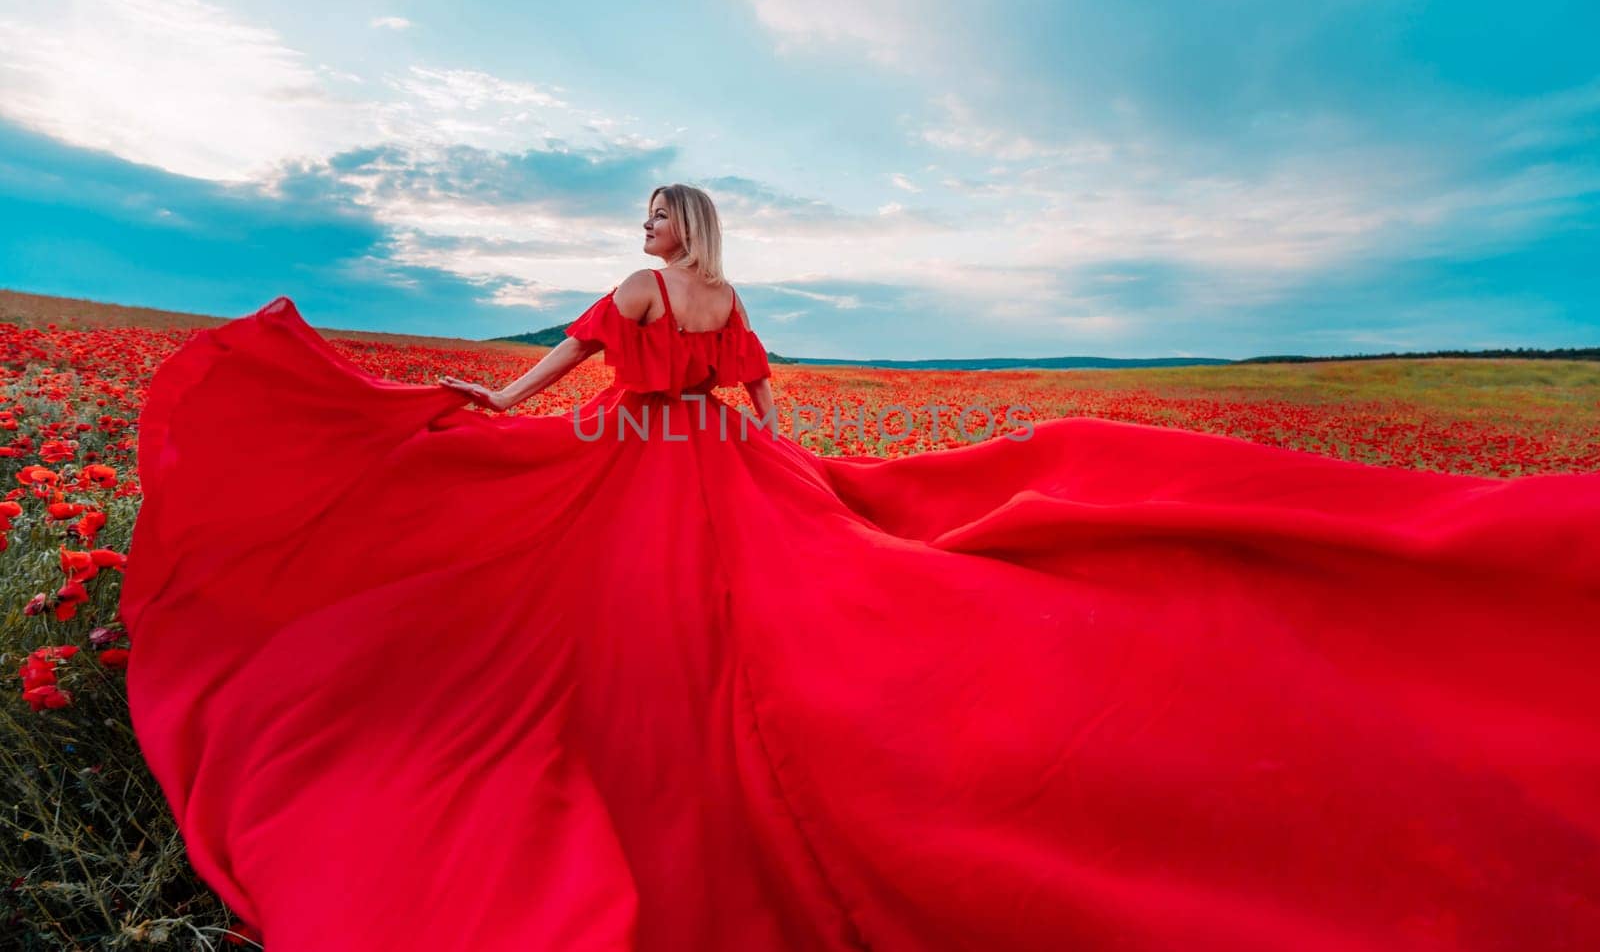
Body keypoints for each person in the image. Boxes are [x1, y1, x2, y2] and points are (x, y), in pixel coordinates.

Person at [119, 183, 1600, 951]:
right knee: (760, 625)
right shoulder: (723, 290)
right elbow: (755, 394)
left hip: (641, 466)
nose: (645, 235)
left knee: (637, 641)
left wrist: (474, 415)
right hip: (726, 467)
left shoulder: (638, 291)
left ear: (669, 232)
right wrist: (781, 457)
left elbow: (566, 374)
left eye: (654, 217)